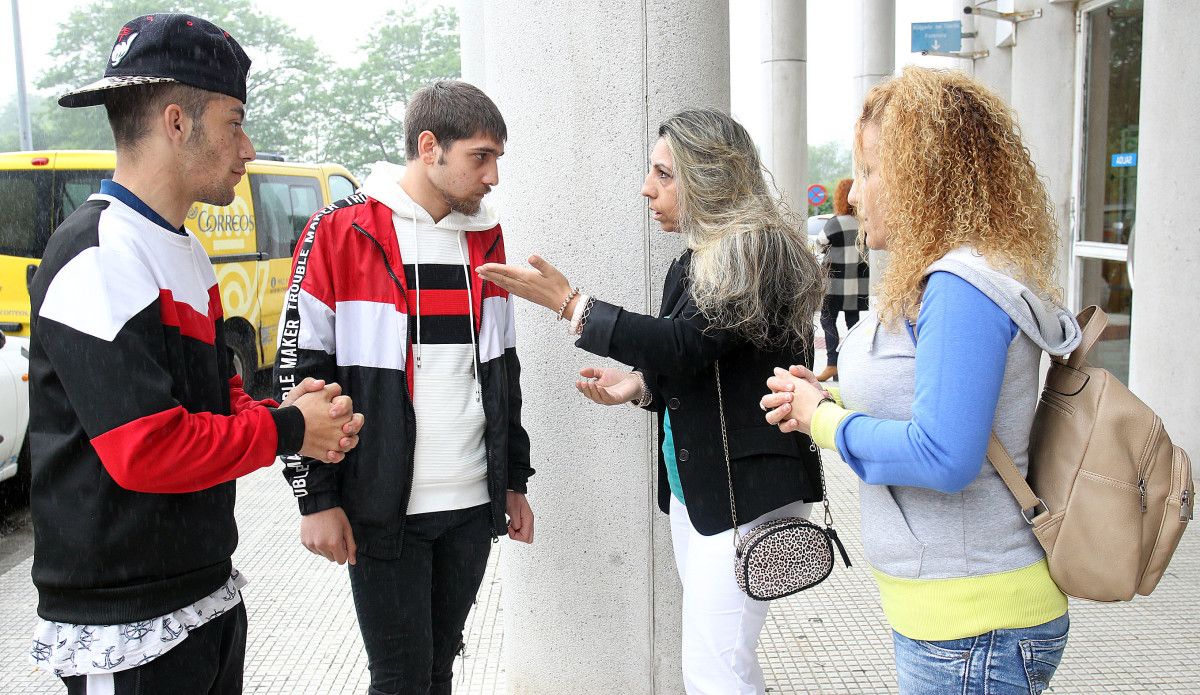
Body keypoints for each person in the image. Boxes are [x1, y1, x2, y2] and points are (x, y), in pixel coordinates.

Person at [25, 14, 362, 694]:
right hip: (126, 625)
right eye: (235, 122)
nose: (248, 146)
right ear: (177, 122)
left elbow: (218, 396)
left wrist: (286, 410)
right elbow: (147, 447)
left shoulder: (183, 249)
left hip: (200, 592)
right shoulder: (97, 254)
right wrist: (291, 429)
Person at [477, 108, 825, 695]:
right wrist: (637, 387)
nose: (647, 187)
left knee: (714, 669)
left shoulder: (756, 247)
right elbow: (701, 363)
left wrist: (574, 306)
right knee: (723, 661)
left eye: (664, 173)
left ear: (712, 175)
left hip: (746, 495)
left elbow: (690, 344)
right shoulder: (694, 259)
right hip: (705, 492)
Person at [761, 67, 1081, 695]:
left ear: (922, 176)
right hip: (966, 620)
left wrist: (822, 420)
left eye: (873, 171)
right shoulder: (962, 275)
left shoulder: (961, 287)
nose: (855, 196)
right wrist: (833, 399)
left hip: (972, 625)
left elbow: (946, 455)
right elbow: (931, 406)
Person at [274, 80, 535, 695]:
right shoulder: (341, 230)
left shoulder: (484, 237)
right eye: (481, 156)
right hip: (384, 507)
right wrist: (315, 498)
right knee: (399, 679)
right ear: (429, 148)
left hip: (472, 505)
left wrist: (514, 481)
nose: (493, 175)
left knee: (439, 670)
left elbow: (503, 368)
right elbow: (299, 370)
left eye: (498, 158)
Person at [814, 177, 869, 382]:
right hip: (857, 284)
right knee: (853, 322)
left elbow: (820, 244)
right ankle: (854, 364)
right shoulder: (862, 224)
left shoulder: (835, 223)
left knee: (827, 320)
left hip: (835, 284)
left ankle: (832, 364)